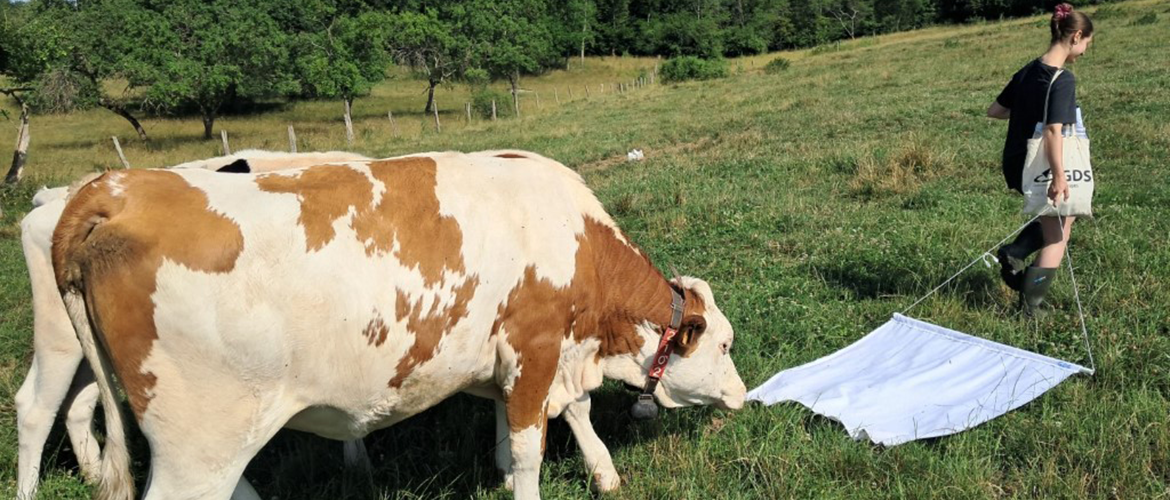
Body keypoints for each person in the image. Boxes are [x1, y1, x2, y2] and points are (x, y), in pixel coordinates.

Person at [986, 3, 1093, 317]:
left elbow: (996, 110)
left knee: (1063, 221)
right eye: (1087, 42)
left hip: (1018, 161)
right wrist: (1059, 176)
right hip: (1044, 166)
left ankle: (1017, 251)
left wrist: (1026, 111)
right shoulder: (1062, 79)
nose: (1086, 50)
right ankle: (1031, 307)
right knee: (1058, 236)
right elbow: (1052, 131)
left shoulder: (1028, 71)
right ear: (1075, 36)